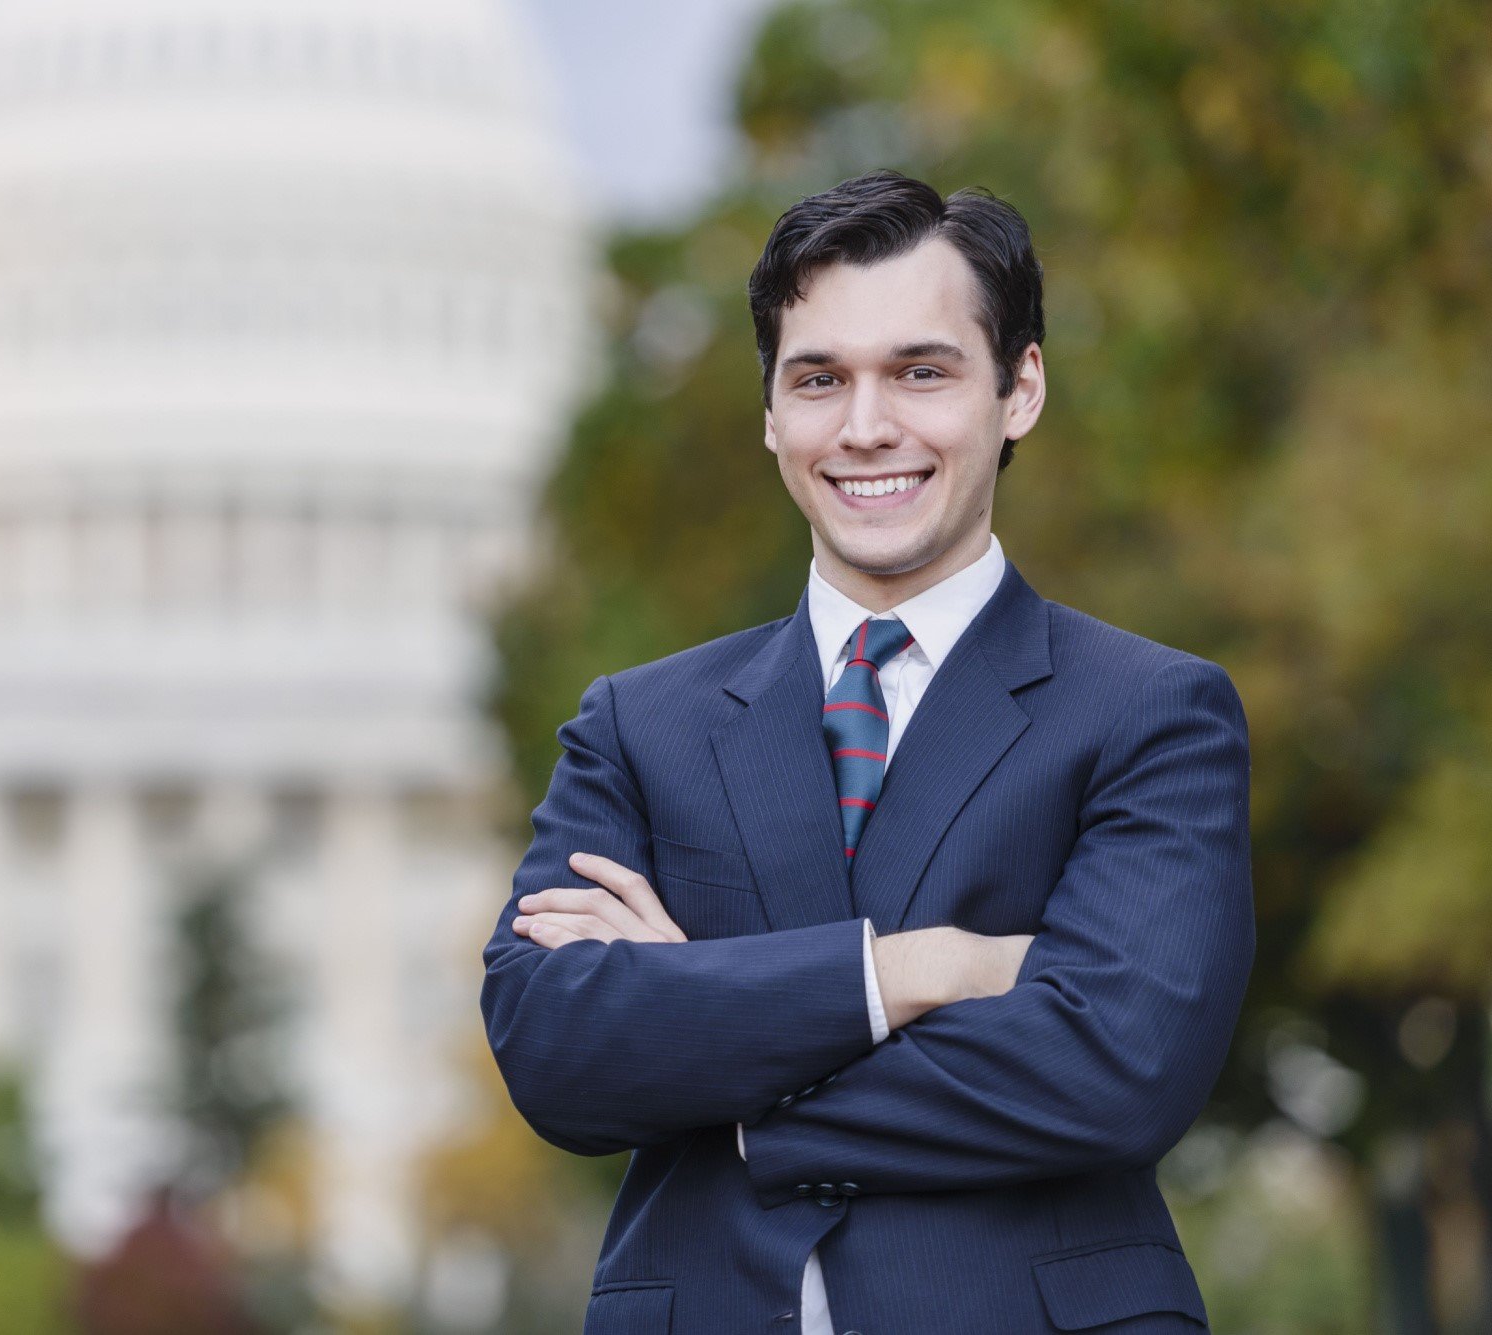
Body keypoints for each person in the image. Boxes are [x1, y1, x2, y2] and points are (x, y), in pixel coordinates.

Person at [479, 170, 1253, 1334]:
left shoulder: (1149, 713)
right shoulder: (637, 726)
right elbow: (557, 1047)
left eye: (920, 371)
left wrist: (717, 1070)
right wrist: (915, 972)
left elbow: (1115, 1068)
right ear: (769, 414)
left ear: (1018, 389)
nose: (865, 427)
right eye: (818, 379)